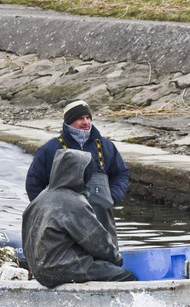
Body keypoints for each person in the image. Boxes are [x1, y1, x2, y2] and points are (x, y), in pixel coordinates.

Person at [22, 149, 136, 287]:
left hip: (39, 271)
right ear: (79, 174)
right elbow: (98, 243)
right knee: (126, 276)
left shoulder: (40, 198)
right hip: (62, 268)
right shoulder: (74, 202)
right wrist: (116, 260)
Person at [25, 99, 129, 244]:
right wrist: (48, 212)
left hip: (102, 224)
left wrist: (112, 197)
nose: (86, 122)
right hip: (64, 226)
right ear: (69, 121)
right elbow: (33, 184)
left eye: (88, 118)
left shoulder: (106, 146)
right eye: (80, 118)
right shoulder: (49, 149)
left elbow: (121, 174)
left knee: (108, 259)